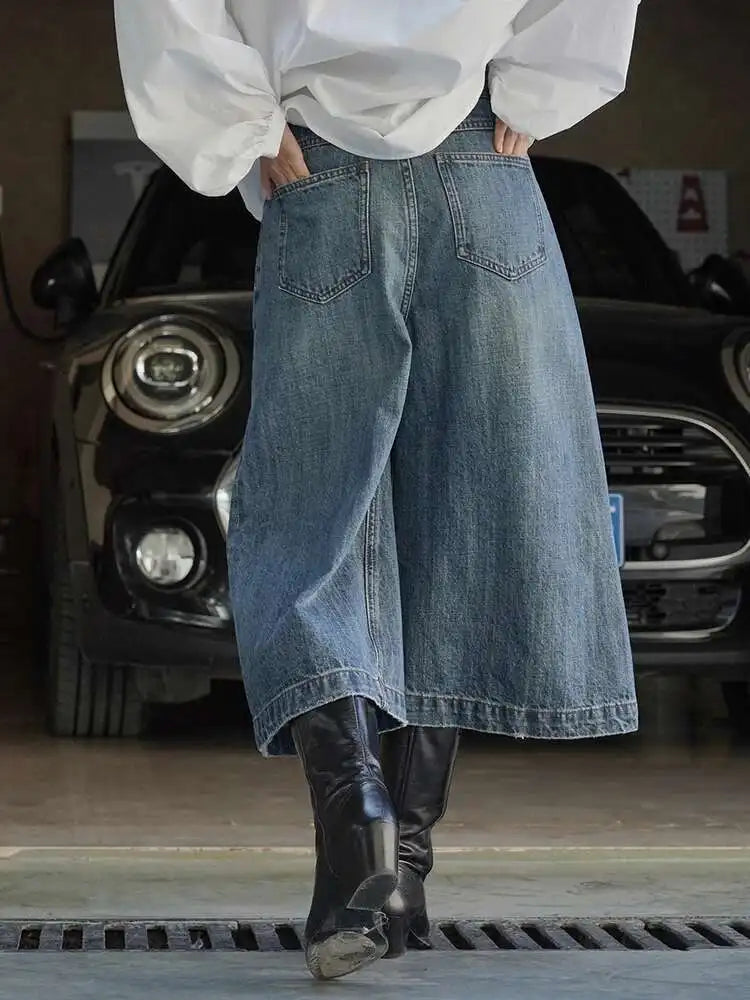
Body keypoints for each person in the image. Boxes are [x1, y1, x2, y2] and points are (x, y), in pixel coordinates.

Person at [115, 0, 641, 981]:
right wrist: (535, 89)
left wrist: (247, 126)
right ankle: (405, 862)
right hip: (483, 165)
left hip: (318, 167)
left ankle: (359, 822)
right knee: (463, 514)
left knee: (312, 522)